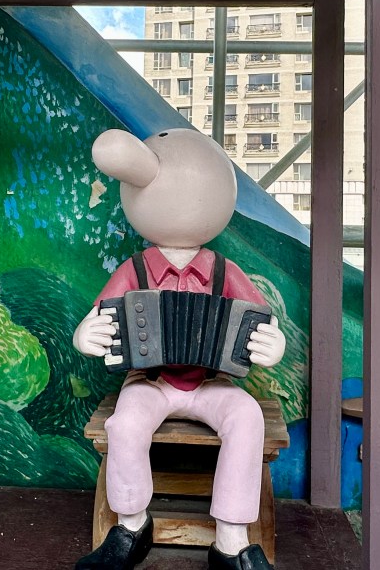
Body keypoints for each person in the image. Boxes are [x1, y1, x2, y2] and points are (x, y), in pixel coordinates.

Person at [73, 128, 286, 570]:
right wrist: (85, 335)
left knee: (246, 417)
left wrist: (274, 342)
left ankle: (231, 540)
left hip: (212, 383)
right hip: (149, 381)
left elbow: (263, 321)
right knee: (125, 425)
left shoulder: (224, 270)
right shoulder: (135, 269)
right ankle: (131, 526)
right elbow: (98, 319)